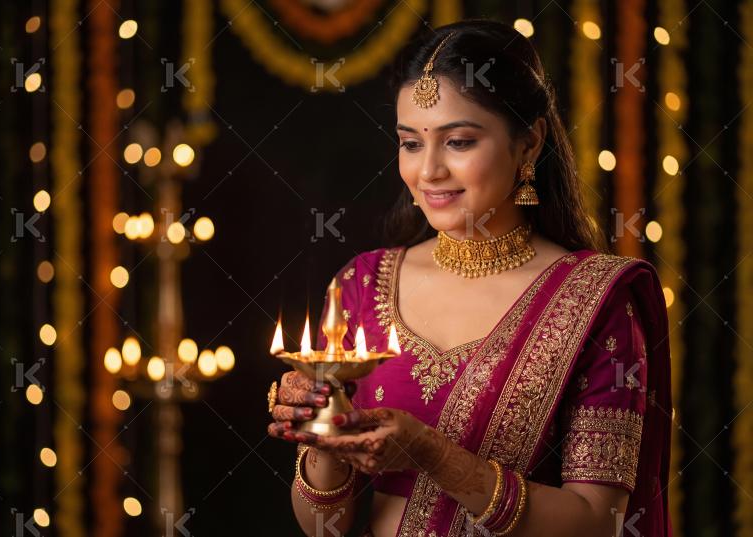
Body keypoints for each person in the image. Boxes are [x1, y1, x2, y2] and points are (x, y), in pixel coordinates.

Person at [267, 19, 672, 537]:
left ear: (529, 144)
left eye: (458, 142)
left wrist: (431, 452)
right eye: (411, 144)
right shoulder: (361, 285)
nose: (429, 171)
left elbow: (599, 522)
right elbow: (324, 526)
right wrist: (323, 437)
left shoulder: (596, 300)